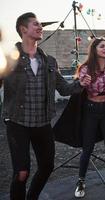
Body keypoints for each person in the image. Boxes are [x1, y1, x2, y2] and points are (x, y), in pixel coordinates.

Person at [0, 12, 89, 200]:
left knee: (47, 166)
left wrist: (80, 83)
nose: (41, 27)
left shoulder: (49, 61)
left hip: (43, 123)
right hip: (18, 123)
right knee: (22, 172)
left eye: (40, 25)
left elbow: (64, 88)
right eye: (36, 24)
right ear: (23, 29)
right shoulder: (9, 58)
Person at [71, 37, 105, 198]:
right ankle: (81, 180)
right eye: (102, 46)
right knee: (87, 148)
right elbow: (77, 88)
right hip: (91, 110)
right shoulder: (86, 68)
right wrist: (81, 82)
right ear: (94, 49)